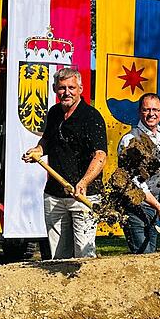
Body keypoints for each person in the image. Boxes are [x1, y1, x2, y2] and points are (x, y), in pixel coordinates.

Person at [23, 68, 107, 259]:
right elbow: (47, 140)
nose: (66, 92)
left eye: (71, 87)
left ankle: (85, 288)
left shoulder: (91, 117)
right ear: (54, 89)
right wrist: (38, 150)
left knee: (84, 253)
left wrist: (84, 182)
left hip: (85, 196)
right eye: (62, 88)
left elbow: (100, 155)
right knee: (58, 254)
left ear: (81, 89)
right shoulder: (54, 113)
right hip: (54, 194)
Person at [117, 93, 160, 254]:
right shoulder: (130, 140)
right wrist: (159, 206)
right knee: (142, 256)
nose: (151, 114)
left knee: (150, 255)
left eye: (155, 109)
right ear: (140, 112)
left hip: (152, 208)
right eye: (146, 110)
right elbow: (135, 183)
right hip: (135, 208)